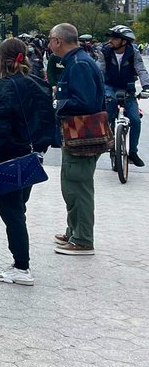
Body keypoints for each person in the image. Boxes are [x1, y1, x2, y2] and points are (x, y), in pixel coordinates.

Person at [0, 38, 57, 286]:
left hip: (5, 158)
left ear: (1, 59)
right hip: (30, 157)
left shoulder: (4, 87)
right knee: (18, 210)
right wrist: (40, 150)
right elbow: (49, 123)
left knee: (12, 214)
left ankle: (21, 266)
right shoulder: (39, 84)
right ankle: (20, 264)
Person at [49, 23, 105, 257]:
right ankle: (74, 231)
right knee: (71, 184)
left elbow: (85, 102)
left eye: (50, 39)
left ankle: (82, 239)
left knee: (78, 186)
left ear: (59, 41)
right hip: (77, 136)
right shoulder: (78, 61)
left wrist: (57, 104)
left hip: (81, 136)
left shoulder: (79, 64)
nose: (49, 43)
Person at [99, 24, 149, 167]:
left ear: (124, 41)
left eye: (114, 38)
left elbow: (141, 70)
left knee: (135, 120)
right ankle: (105, 139)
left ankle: (133, 152)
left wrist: (146, 86)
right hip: (109, 86)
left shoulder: (133, 53)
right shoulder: (105, 51)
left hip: (128, 88)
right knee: (108, 107)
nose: (110, 41)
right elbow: (99, 69)